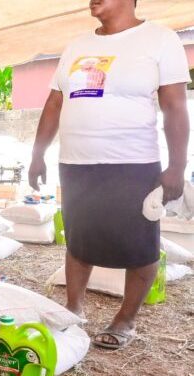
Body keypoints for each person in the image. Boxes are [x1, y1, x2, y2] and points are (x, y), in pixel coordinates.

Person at [28, 0, 190, 349]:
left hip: (132, 164)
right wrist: (37, 155)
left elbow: (175, 105)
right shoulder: (76, 46)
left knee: (140, 246)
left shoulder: (160, 39)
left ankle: (125, 319)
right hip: (76, 162)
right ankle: (73, 308)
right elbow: (55, 103)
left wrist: (177, 165)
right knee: (79, 239)